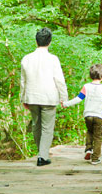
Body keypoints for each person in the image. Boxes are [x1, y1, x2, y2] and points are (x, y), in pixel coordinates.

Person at [20, 27, 68, 167]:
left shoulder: (26, 59)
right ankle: (42, 156)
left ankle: (41, 153)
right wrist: (63, 98)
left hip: (32, 96)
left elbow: (23, 81)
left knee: (36, 125)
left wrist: (23, 98)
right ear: (49, 42)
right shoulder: (53, 59)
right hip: (48, 97)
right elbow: (59, 80)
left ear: (36, 42)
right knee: (47, 127)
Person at [63, 63, 102, 164]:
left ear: (90, 75)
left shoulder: (86, 86)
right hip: (99, 115)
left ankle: (89, 149)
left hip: (88, 115)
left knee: (90, 131)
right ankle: (95, 158)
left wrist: (66, 104)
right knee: (98, 137)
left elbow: (78, 99)